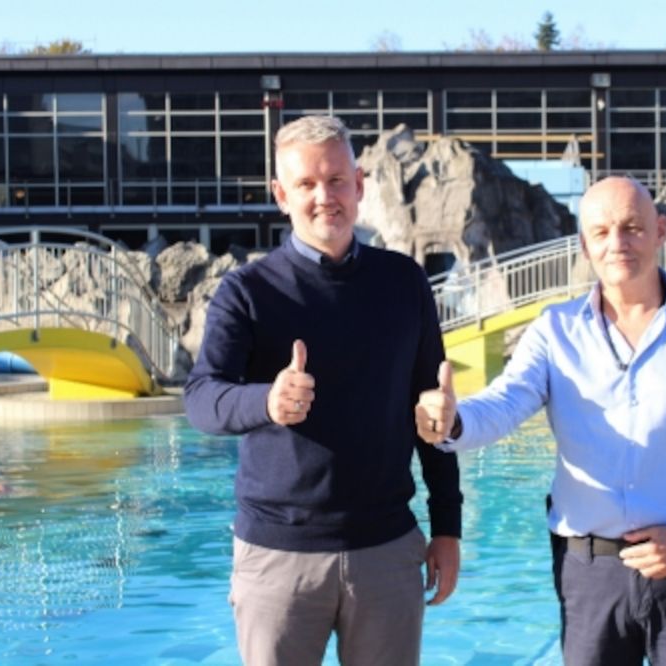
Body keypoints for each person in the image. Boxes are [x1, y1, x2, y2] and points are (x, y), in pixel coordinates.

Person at [416, 176, 666, 665]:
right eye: (602, 231)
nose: (618, 243)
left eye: (632, 227)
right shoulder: (555, 331)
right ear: (584, 244)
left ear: (661, 231)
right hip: (590, 574)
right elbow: (504, 405)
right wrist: (452, 421)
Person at [183, 115, 462, 666]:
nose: (324, 197)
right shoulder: (247, 292)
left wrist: (447, 527)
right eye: (306, 184)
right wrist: (265, 401)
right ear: (281, 195)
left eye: (336, 180)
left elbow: (432, 411)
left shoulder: (404, 283)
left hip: (387, 549)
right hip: (277, 557)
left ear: (359, 184)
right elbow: (201, 398)